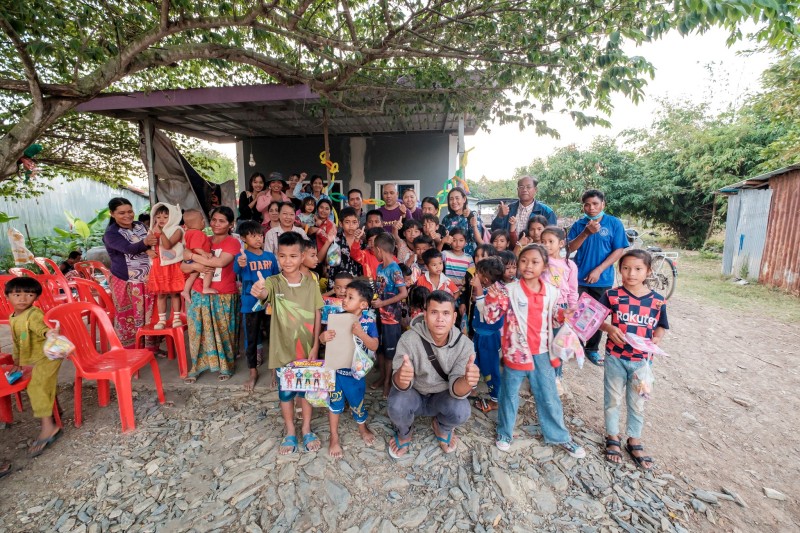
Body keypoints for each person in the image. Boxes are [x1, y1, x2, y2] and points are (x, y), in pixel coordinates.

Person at [484, 244, 586, 458]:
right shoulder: (508, 290)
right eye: (523, 261)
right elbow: (491, 317)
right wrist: (491, 299)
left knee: (548, 396)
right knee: (509, 394)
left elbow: (554, 316)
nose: (528, 265)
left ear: (545, 266)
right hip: (515, 353)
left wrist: (564, 314)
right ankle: (504, 433)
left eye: (534, 262)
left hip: (542, 353)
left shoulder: (552, 291)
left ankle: (559, 436)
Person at [250, 231, 324, 454]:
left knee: (305, 393)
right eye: (282, 256)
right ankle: (290, 430)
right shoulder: (274, 282)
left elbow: (318, 313)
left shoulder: (311, 284)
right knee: (286, 394)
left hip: (307, 351)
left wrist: (316, 345)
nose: (287, 261)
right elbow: (264, 293)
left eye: (293, 256)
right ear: (277, 257)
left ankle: (307, 429)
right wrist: (259, 291)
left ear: (302, 257)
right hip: (283, 352)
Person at [387, 291, 480, 458]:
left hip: (441, 397)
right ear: (425, 315)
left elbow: (456, 390)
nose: (440, 319)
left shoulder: (465, 345)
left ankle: (442, 426)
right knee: (396, 403)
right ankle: (404, 431)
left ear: (454, 317)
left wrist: (467, 381)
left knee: (462, 410)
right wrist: (402, 376)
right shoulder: (409, 339)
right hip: (413, 394)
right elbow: (399, 383)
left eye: (445, 313)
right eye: (434, 312)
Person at [599, 250, 669, 470]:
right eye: (626, 268)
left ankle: (634, 439)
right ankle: (612, 436)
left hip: (642, 363)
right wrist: (609, 327)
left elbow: (661, 326)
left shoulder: (657, 301)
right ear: (620, 270)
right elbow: (597, 318)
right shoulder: (612, 295)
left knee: (638, 402)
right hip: (615, 357)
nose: (631, 273)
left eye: (638, 269)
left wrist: (657, 338)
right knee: (612, 399)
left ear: (648, 271)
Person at [567, 189, 629, 366]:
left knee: (597, 315)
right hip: (578, 278)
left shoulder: (614, 223)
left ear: (603, 204)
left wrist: (599, 270)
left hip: (602, 279)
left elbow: (619, 250)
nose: (591, 208)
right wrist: (586, 232)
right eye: (587, 204)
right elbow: (569, 248)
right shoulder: (579, 225)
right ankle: (576, 346)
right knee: (576, 314)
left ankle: (592, 349)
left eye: (595, 204)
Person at [180, 206, 241, 383]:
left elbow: (220, 262)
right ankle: (197, 366)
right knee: (196, 331)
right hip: (199, 292)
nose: (216, 223)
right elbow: (183, 266)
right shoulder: (201, 238)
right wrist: (193, 264)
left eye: (222, 221)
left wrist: (191, 255)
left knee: (223, 333)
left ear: (230, 224)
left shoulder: (233, 242)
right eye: (214, 219)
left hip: (223, 293)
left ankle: (225, 366)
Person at [319, 280, 378, 458]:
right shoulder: (336, 317)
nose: (344, 300)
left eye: (350, 297)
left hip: (355, 375)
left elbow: (374, 345)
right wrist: (323, 337)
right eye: (344, 296)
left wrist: (361, 333)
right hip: (336, 372)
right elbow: (324, 341)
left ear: (363, 304)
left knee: (357, 402)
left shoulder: (368, 321)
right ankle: (334, 436)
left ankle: (362, 427)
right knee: (334, 404)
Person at [6, 277, 62, 456]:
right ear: (8, 296)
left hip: (48, 357)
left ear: (35, 297)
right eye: (17, 294)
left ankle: (49, 427)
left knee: (36, 387)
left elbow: (42, 328)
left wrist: (49, 332)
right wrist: (16, 362)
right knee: (39, 384)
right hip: (35, 358)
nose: (23, 299)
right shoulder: (13, 317)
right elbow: (16, 341)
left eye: (29, 295)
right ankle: (55, 411)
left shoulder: (33, 314)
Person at [103, 197, 157, 348]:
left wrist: (149, 247)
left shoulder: (139, 225)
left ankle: (150, 348)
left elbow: (148, 245)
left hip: (146, 278)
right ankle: (130, 352)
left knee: (148, 314)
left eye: (130, 211)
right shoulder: (111, 234)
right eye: (121, 213)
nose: (127, 215)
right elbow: (128, 249)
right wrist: (146, 243)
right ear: (112, 214)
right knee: (128, 317)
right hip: (126, 280)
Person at [234, 221, 280, 392]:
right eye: (253, 236)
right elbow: (236, 270)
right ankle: (253, 372)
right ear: (244, 238)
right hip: (249, 305)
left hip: (269, 303)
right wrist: (241, 262)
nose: (258, 239)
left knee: (274, 337)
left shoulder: (270, 256)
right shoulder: (243, 257)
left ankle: (275, 370)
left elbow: (276, 278)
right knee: (251, 339)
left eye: (260, 235)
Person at [540, 226, 579, 395]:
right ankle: (541, 377)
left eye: (550, 241)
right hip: (541, 308)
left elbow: (572, 290)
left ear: (561, 243)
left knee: (558, 344)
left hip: (561, 310)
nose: (546, 245)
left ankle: (556, 378)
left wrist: (572, 310)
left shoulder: (570, 265)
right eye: (543, 242)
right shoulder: (540, 262)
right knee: (542, 343)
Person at [372, 233, 408, 397]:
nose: (373, 252)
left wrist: (383, 303)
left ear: (379, 249)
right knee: (379, 348)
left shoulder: (395, 269)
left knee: (389, 353)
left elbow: (403, 293)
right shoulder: (380, 268)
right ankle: (382, 377)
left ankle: (388, 381)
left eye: (374, 249)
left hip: (392, 319)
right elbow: (380, 290)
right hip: (379, 315)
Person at [470, 257, 506, 412]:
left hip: (489, 338)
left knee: (490, 369)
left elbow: (485, 312)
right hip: (479, 335)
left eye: (477, 273)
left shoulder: (496, 292)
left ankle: (495, 399)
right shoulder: (490, 288)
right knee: (473, 361)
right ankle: (470, 387)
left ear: (484, 278)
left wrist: (478, 290)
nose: (474, 275)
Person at [147, 203, 185, 329]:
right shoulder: (152, 230)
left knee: (175, 293)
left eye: (165, 217)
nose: (161, 220)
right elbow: (147, 245)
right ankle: (162, 320)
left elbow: (168, 246)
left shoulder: (177, 230)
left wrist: (161, 233)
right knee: (161, 294)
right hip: (158, 266)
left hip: (172, 265)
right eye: (158, 217)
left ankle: (176, 318)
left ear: (173, 217)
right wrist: (148, 250)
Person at [490, 176, 557, 235]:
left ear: (535, 190)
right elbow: (496, 233)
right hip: (510, 249)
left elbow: (551, 236)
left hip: (536, 249)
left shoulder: (547, 212)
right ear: (517, 190)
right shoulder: (508, 209)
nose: (524, 190)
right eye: (521, 187)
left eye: (528, 187)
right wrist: (500, 216)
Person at [180, 209, 215, 303]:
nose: (204, 221)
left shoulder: (188, 233)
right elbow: (196, 247)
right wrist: (205, 253)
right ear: (199, 223)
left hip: (190, 259)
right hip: (197, 258)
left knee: (192, 276)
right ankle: (206, 287)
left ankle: (186, 291)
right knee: (209, 270)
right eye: (202, 220)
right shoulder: (198, 233)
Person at [326, 207, 364, 288]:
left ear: (358, 223)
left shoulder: (363, 241)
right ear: (340, 223)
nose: (351, 225)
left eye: (354, 222)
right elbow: (330, 262)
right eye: (347, 222)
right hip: (337, 283)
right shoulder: (335, 240)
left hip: (357, 282)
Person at [441, 187, 484, 256]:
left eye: (457, 198)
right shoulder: (446, 219)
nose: (454, 201)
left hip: (469, 258)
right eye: (451, 199)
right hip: (451, 259)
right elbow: (443, 240)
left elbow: (477, 239)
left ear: (464, 199)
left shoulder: (473, 216)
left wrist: (470, 217)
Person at [441, 228, 474, 292]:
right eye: (454, 240)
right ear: (449, 241)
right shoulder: (446, 254)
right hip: (447, 289)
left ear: (465, 242)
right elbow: (435, 257)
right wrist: (442, 242)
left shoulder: (468, 258)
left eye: (461, 240)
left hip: (462, 290)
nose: (458, 243)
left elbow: (472, 275)